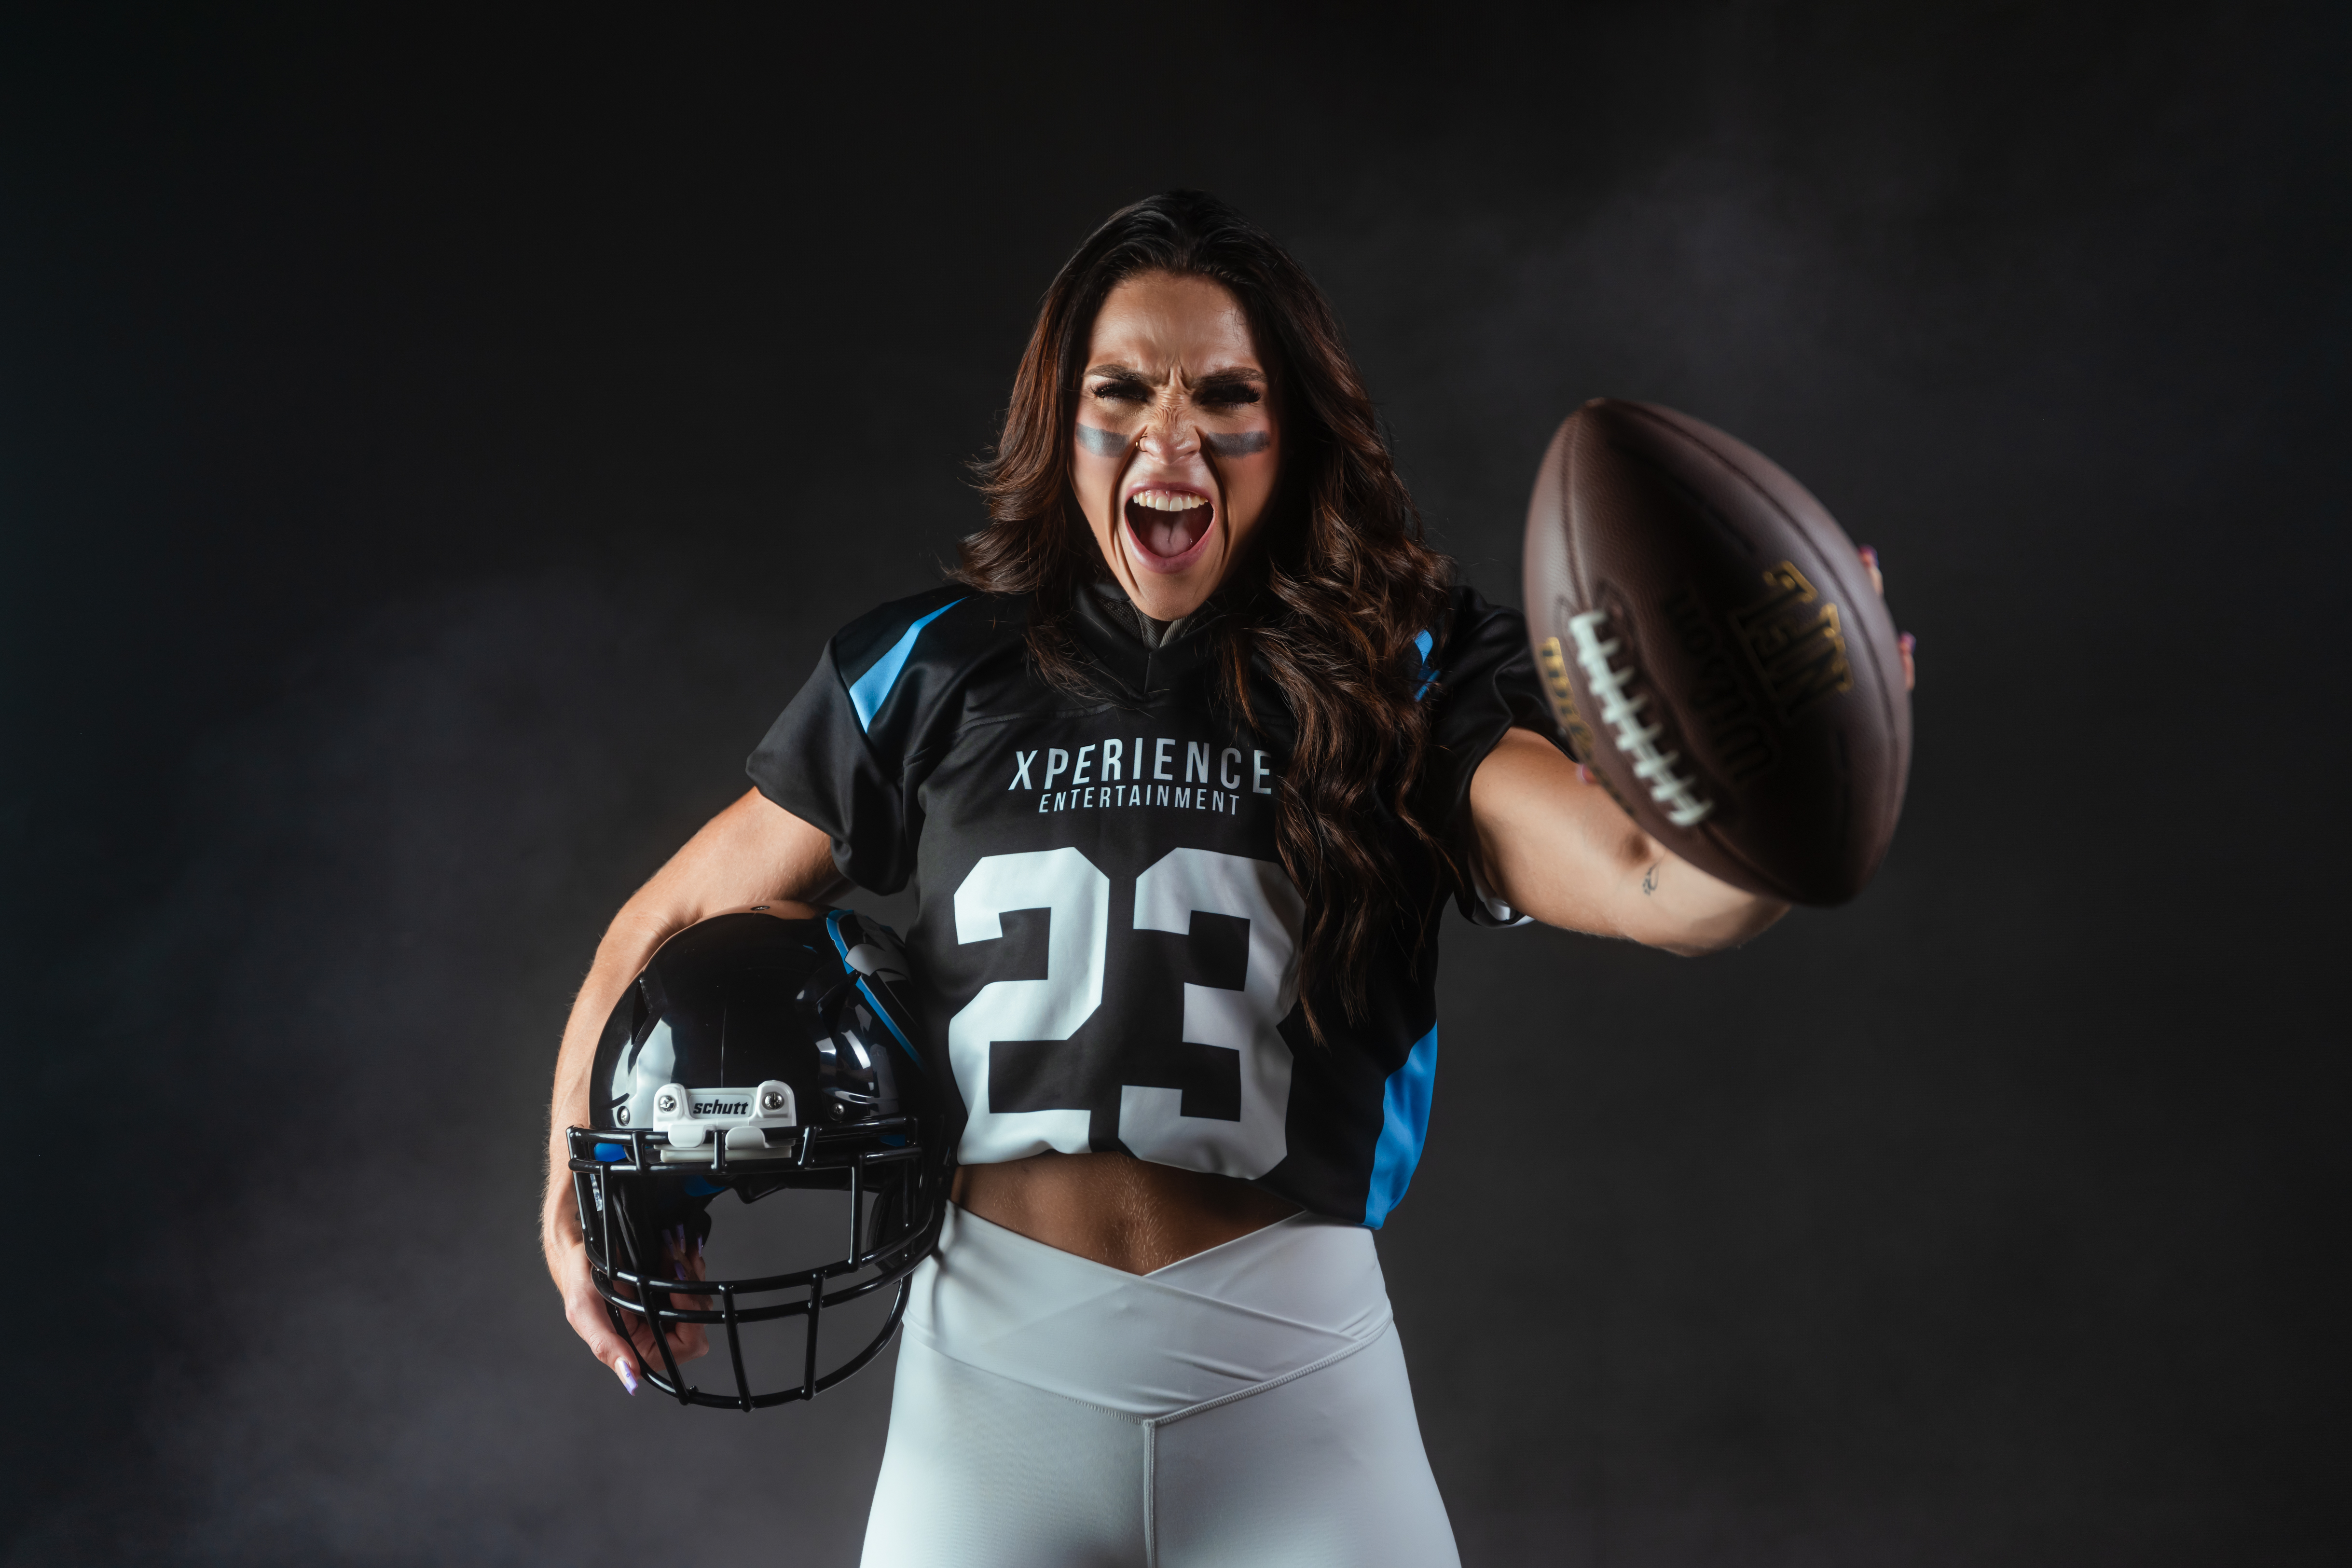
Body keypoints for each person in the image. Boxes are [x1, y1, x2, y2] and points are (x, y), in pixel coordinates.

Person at [540, 190, 1912, 1567]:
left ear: (1291, 429)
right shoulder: (935, 665)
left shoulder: (1403, 668)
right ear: (1058, 422)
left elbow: (1647, 881)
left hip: (1293, 1374)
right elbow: (664, 924)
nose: (1170, 435)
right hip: (991, 1377)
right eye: (1122, 390)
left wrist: (1788, 796)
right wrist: (571, 1190)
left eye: (1225, 394)